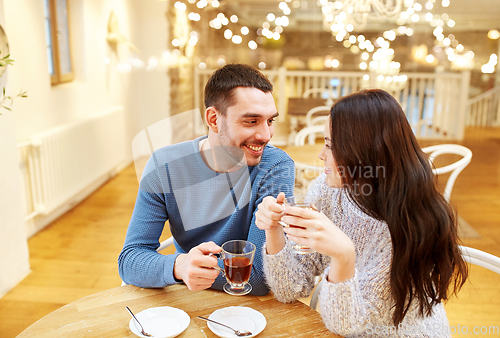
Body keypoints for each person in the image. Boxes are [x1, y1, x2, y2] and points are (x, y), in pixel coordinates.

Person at [256, 89, 468, 336]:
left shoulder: (407, 225)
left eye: (330, 145)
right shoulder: (327, 191)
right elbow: (288, 289)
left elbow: (347, 324)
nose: (321, 155)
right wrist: (273, 232)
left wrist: (344, 255)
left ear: (365, 153)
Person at [118, 64, 294, 295]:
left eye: (269, 121)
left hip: (246, 307)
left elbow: (258, 277)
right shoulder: (164, 166)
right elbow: (130, 259)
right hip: (187, 296)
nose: (266, 135)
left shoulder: (275, 166)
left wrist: (185, 269)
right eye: (251, 121)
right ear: (213, 119)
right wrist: (179, 266)